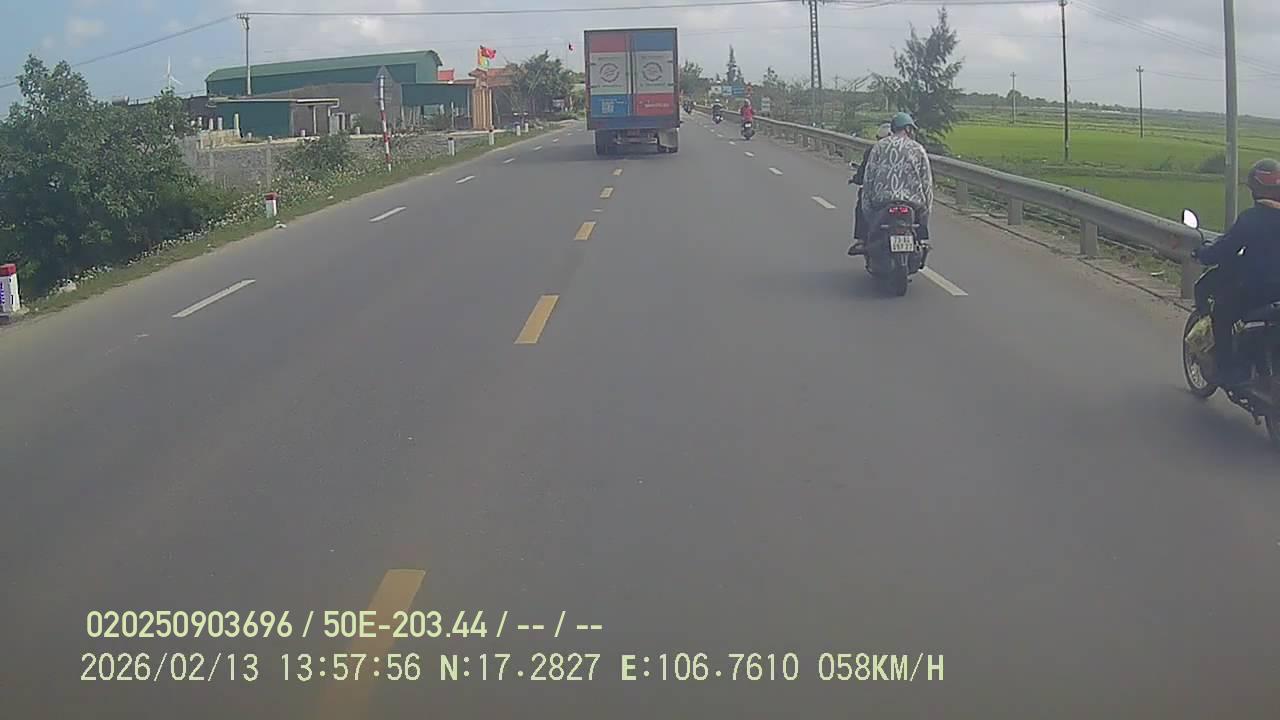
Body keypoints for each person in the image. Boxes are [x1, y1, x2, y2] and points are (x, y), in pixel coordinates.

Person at [1191, 158, 1280, 386]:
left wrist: (1203, 253)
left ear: (1256, 188)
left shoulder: (1251, 219)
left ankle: (1228, 371)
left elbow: (1224, 249)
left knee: (1221, 312)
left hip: (1257, 291)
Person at [851, 112, 934, 257]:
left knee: (865, 208)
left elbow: (868, 178)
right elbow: (926, 182)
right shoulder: (918, 149)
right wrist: (926, 210)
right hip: (912, 202)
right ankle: (921, 241)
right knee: (920, 226)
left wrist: (868, 208)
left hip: (882, 200)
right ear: (908, 129)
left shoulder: (878, 147)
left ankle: (863, 241)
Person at [848, 123, 893, 256]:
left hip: (880, 195)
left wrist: (856, 179)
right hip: (905, 195)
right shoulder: (906, 150)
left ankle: (861, 239)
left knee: (861, 204)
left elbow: (864, 173)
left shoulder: (873, 151)